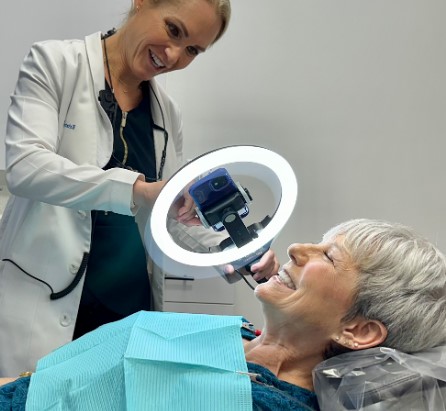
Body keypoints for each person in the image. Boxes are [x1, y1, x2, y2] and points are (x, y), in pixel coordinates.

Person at [0, 0, 280, 377]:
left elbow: (172, 215)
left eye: (193, 50)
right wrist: (136, 189)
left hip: (127, 310)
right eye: (174, 30)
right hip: (44, 302)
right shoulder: (56, 64)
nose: (175, 55)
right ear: (141, 3)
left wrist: (231, 249)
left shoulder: (166, 113)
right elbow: (26, 167)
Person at [1, 218, 445, 410]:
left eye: (329, 257)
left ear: (359, 330)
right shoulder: (236, 333)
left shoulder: (269, 405)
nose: (295, 249)